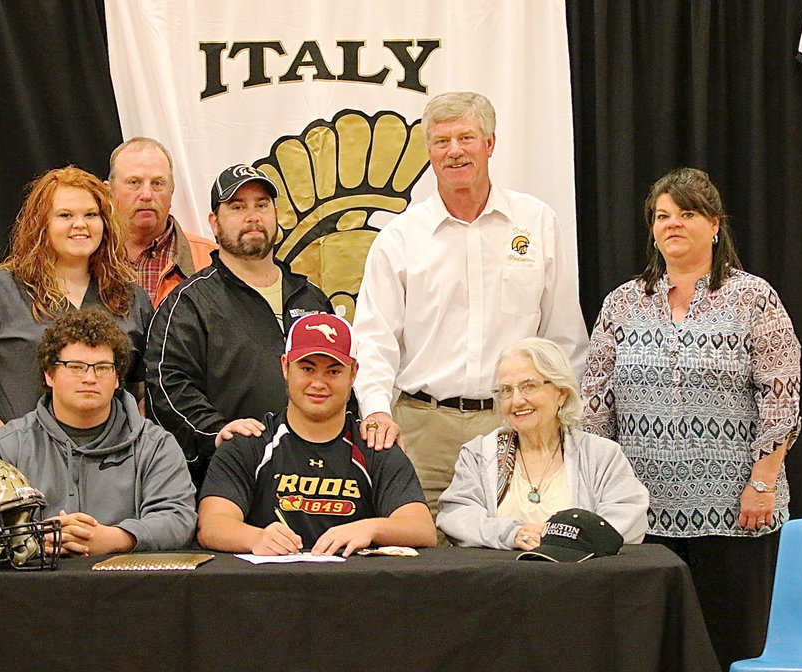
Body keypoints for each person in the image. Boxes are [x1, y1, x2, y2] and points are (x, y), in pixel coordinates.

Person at [581, 167, 801, 670]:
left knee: (731, 644)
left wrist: (763, 483)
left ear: (715, 225)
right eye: (662, 216)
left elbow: (781, 394)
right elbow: (594, 401)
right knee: (653, 649)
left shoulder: (754, 297)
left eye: (687, 213)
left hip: (736, 506)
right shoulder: (622, 302)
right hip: (640, 509)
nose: (672, 224)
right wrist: (600, 489)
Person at [351, 91, 588, 518]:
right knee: (422, 563)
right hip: (422, 430)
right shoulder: (400, 237)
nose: (454, 151)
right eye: (442, 141)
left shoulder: (535, 222)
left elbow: (563, 336)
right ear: (429, 152)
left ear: (490, 144)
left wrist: (563, 424)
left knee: (519, 554)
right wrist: (376, 413)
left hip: (517, 422)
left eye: (466, 138)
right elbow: (374, 340)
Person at [0, 166, 152, 458]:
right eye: (65, 215)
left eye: (90, 215)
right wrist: (4, 439)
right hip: (10, 470)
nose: (80, 225)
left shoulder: (130, 297)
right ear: (40, 224)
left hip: (102, 468)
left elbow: (140, 392)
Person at [145, 164, 333, 488]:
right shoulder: (190, 303)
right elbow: (166, 384)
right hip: (233, 480)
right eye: (237, 207)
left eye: (262, 204)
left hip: (319, 475)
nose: (253, 216)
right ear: (214, 223)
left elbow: (340, 376)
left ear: (276, 215)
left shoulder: (312, 297)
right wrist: (215, 433)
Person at [197, 313, 436, 556]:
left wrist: (371, 529)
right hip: (268, 588)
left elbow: (422, 528)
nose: (319, 383)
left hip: (356, 588)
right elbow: (211, 525)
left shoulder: (374, 445)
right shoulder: (249, 443)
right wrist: (254, 537)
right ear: (285, 367)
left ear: (354, 374)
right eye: (307, 369)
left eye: (333, 372)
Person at [0, 308, 196, 555]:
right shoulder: (4, 447)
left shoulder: (156, 445)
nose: (90, 378)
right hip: (30, 589)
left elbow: (179, 518)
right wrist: (36, 539)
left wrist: (117, 538)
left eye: (102, 367)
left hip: (127, 589)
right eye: (76, 366)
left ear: (116, 378)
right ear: (49, 374)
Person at [436, 337, 647, 550]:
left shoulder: (601, 455)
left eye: (529, 386)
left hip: (579, 575)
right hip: (500, 577)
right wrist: (512, 533)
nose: (517, 400)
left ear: (562, 393)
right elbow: (456, 515)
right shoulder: (479, 454)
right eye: (506, 390)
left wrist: (562, 538)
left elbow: (628, 516)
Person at [106, 137, 216, 306]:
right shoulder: (84, 260)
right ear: (108, 192)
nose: (147, 195)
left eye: (157, 183)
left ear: (171, 192)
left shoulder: (213, 261)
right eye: (134, 182)